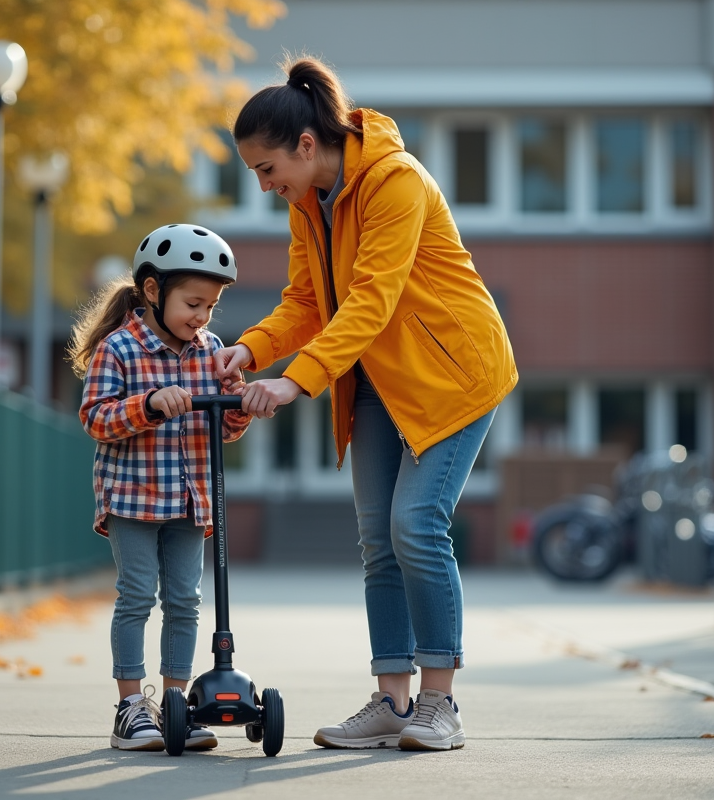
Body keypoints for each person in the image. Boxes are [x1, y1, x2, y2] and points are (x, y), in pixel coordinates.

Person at [216, 57, 517, 751]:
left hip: (453, 375)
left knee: (416, 525)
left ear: (306, 145)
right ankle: (393, 702)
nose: (265, 186)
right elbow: (303, 301)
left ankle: (441, 706)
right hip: (377, 377)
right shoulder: (308, 204)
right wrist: (252, 351)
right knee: (378, 542)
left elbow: (371, 302)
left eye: (267, 169)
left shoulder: (395, 181)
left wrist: (297, 381)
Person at [69, 223, 251, 752]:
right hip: (132, 497)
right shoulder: (119, 349)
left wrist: (238, 404)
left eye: (210, 307)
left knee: (185, 601)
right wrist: (147, 405)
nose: (202, 317)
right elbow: (95, 419)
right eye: (193, 302)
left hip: (190, 497)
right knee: (136, 598)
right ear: (153, 291)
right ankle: (131, 707)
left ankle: (175, 705)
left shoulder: (210, 350)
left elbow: (225, 430)